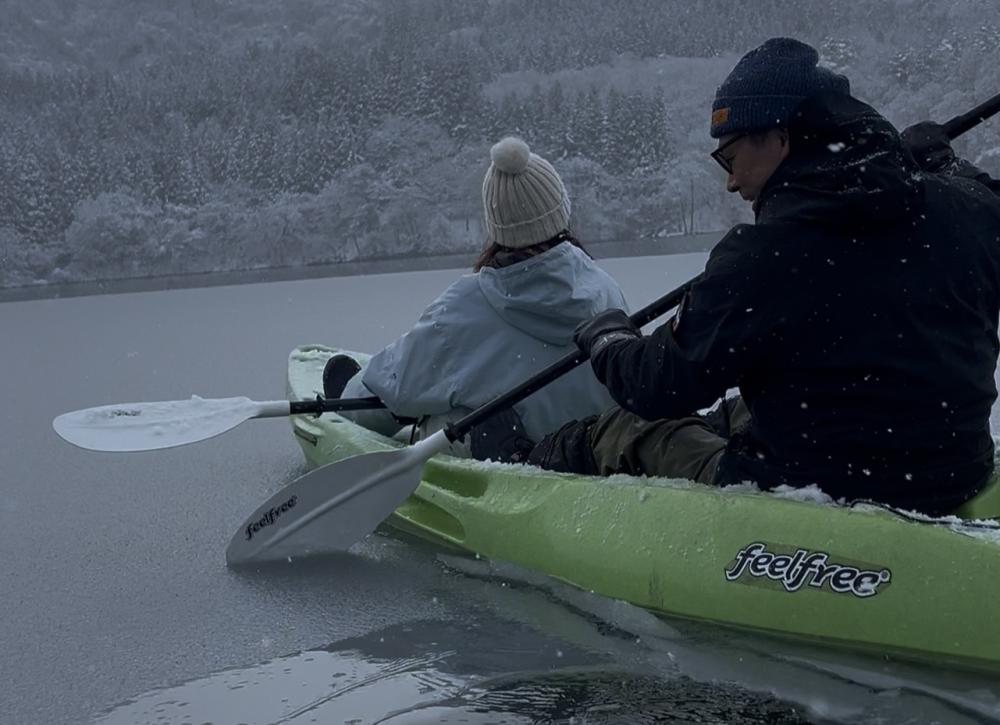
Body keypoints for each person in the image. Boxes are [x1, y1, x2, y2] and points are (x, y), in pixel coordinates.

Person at [527, 37, 1000, 515]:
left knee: (623, 431)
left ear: (780, 138)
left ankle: (519, 471)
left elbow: (661, 387)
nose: (731, 182)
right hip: (954, 471)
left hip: (810, 484)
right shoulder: (968, 211)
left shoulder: (764, 255)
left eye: (729, 158)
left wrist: (609, 341)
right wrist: (952, 168)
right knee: (730, 415)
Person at [325, 136, 628, 460]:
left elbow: (390, 392)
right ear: (560, 211)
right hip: (591, 451)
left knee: (447, 416)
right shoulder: (604, 287)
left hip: (517, 468)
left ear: (496, 227)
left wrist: (348, 400)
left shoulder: (464, 308)